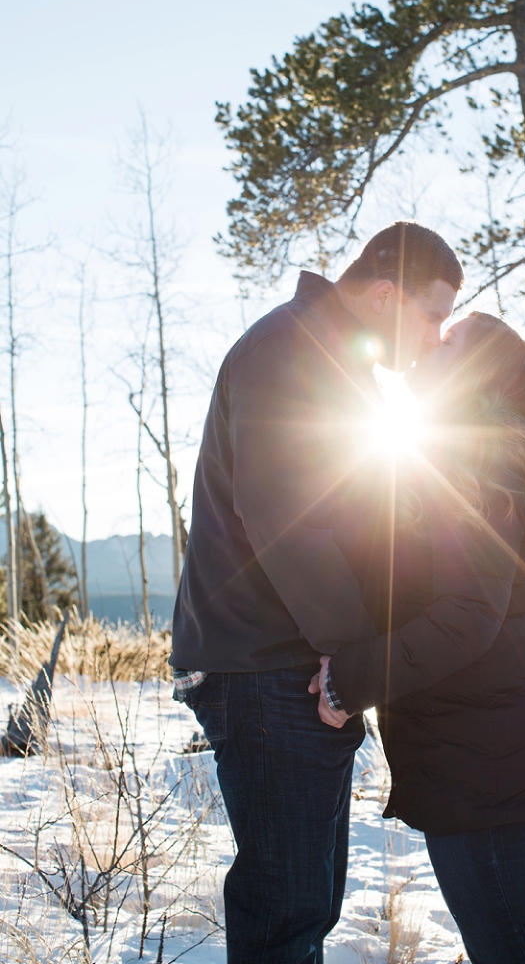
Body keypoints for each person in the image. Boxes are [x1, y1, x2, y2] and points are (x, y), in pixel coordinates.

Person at [171, 221, 462, 963]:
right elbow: (283, 518)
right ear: (386, 293)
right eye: (431, 314)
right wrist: (356, 654)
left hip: (293, 666)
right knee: (287, 908)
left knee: (305, 902)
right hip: (269, 669)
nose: (437, 335)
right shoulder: (290, 350)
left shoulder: (327, 357)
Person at [312, 312, 525, 964]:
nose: (424, 347)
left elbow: (469, 612)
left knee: (514, 948)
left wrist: (349, 681)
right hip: (496, 731)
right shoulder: (486, 459)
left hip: (486, 745)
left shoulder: (474, 464)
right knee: (517, 943)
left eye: (445, 344)